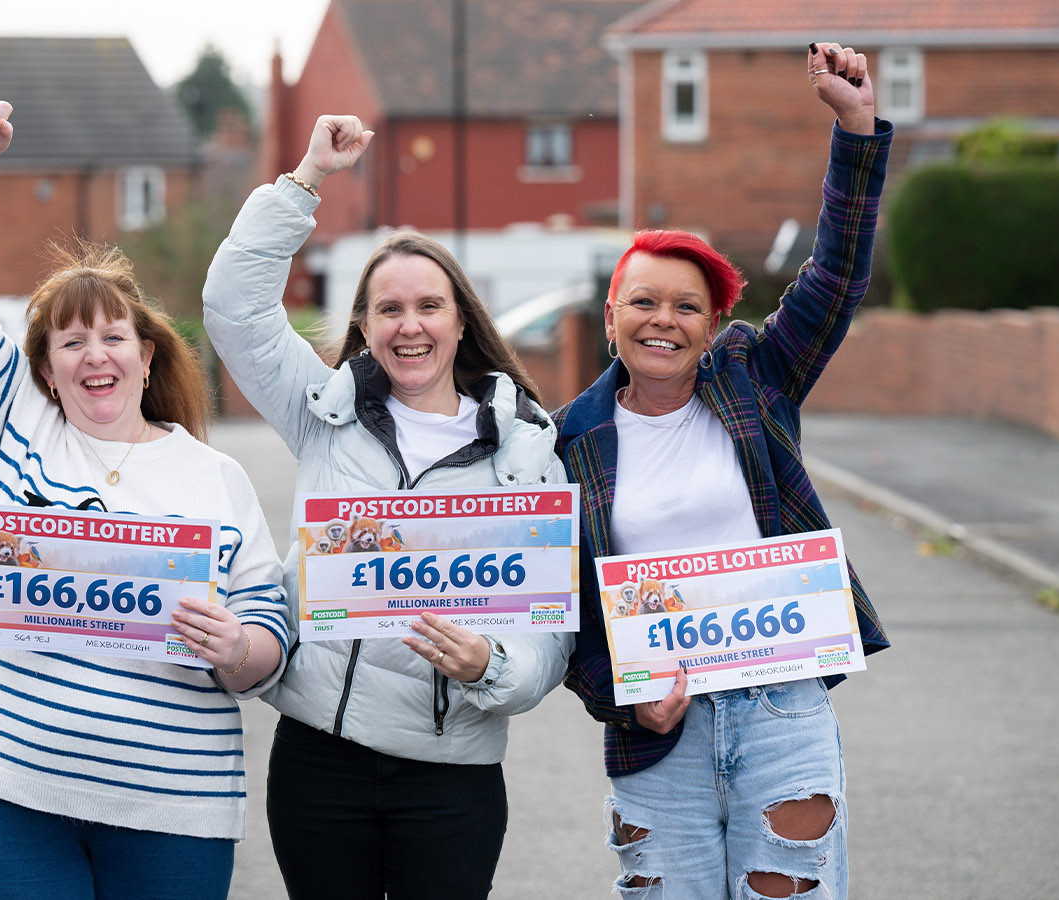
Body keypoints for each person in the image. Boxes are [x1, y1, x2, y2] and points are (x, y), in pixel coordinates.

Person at [0, 97, 290, 900]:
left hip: (174, 809)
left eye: (113, 336)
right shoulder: (16, 424)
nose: (95, 354)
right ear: (45, 369)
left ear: (146, 357)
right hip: (6, 786)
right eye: (72, 340)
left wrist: (236, 649)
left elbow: (268, 638)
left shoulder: (214, 480)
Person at [552, 44, 892, 899]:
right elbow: (557, 607)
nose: (662, 320)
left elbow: (838, 275)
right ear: (611, 315)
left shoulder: (757, 379)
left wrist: (854, 127)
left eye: (686, 307)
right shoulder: (568, 442)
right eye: (644, 301)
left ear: (712, 330)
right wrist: (618, 697)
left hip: (781, 710)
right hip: (657, 733)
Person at [203, 115, 572, 899]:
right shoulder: (322, 414)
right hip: (319, 760)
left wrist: (493, 667)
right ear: (364, 327)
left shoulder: (529, 453)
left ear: (461, 319)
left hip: (451, 777)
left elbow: (550, 636)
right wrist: (305, 180)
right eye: (389, 310)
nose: (410, 326)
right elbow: (234, 310)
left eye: (429, 307)